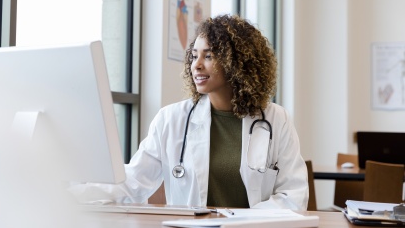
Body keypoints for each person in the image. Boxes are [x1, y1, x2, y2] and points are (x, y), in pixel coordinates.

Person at [69, 14, 308, 210]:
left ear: (237, 63)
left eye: (209, 56)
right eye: (194, 56)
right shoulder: (171, 119)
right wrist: (71, 192)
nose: (196, 65)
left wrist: (241, 221)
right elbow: (132, 182)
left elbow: (293, 195)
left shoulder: (276, 120)